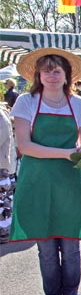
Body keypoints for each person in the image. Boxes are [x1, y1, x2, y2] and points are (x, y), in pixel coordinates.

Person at [8, 48, 81, 295]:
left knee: (70, 246)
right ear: (38, 74)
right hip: (37, 182)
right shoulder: (26, 102)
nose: (52, 75)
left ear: (67, 75)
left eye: (58, 70)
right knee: (46, 248)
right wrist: (66, 154)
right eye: (46, 69)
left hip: (69, 182)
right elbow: (24, 146)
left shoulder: (79, 104)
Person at [0, 103, 17, 244]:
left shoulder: (1, 115)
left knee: (3, 203)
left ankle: (4, 233)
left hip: (2, 167)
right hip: (4, 166)